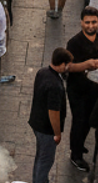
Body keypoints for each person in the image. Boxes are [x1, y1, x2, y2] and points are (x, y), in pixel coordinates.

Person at [66, 6, 98, 173]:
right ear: (81, 22)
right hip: (78, 89)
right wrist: (86, 65)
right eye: (87, 22)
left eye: (94, 22)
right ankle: (75, 154)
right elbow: (68, 67)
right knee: (79, 121)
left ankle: (80, 144)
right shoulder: (74, 43)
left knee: (89, 121)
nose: (91, 26)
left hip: (95, 88)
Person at [29, 48, 74, 183]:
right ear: (62, 64)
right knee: (46, 160)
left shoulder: (42, 72)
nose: (68, 68)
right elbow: (53, 113)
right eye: (67, 65)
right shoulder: (55, 86)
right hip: (46, 129)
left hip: (37, 121)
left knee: (40, 156)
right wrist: (57, 133)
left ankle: (38, 179)